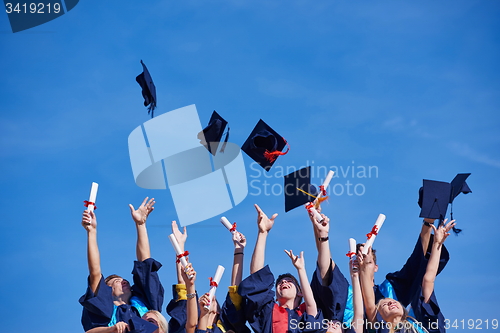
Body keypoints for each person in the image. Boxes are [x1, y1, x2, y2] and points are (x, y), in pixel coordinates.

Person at [79, 197, 164, 333]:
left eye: (124, 280)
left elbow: (145, 265)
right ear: (106, 292)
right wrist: (91, 232)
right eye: (116, 281)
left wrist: (140, 225)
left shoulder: (146, 307)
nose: (123, 281)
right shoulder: (102, 311)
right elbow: (95, 272)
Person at [237, 204, 325, 333]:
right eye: (280, 283)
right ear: (276, 296)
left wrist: (301, 270)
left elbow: (312, 306)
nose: (283, 282)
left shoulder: (303, 314)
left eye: (289, 281)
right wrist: (262, 233)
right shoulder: (268, 311)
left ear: (300, 292)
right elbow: (257, 277)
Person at [361, 220, 454, 333]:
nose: (391, 302)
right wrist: (363, 267)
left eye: (393, 302)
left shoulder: (422, 327)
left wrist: (437, 243)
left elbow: (428, 279)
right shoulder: (379, 329)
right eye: (384, 304)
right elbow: (370, 305)